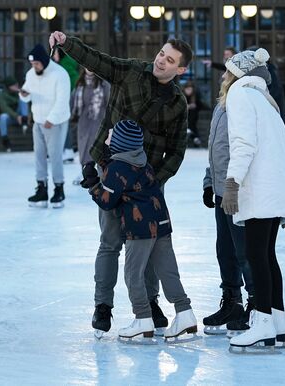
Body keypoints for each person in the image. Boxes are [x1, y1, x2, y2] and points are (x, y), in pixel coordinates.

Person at [49, 30, 192, 337]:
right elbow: (96, 60)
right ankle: (103, 305)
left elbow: (178, 149)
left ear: (181, 70)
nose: (161, 61)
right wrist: (66, 42)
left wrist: (155, 180)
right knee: (111, 242)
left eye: (170, 60)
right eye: (161, 54)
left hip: (149, 184)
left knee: (149, 243)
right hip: (110, 171)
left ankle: (151, 303)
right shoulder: (131, 71)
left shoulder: (177, 103)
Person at [86, 120, 197, 342]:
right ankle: (185, 313)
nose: (106, 138)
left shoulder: (116, 167)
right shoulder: (144, 163)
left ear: (118, 143)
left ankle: (143, 318)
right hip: (162, 223)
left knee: (132, 273)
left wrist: (92, 183)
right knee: (167, 270)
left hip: (140, 229)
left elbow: (107, 202)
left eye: (111, 136)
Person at [218, 48, 285, 351]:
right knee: (267, 255)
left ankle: (262, 323)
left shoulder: (240, 95)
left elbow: (243, 143)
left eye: (227, 71)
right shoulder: (266, 100)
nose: (223, 76)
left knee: (255, 255)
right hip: (274, 189)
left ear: (238, 74)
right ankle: (278, 322)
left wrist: (232, 183)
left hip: (260, 189)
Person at [202, 70, 255, 336]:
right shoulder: (223, 104)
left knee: (243, 251)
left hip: (239, 190)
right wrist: (209, 181)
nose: (222, 75)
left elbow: (245, 148)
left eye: (228, 71)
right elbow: (216, 148)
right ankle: (232, 301)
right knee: (225, 249)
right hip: (222, 189)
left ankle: (256, 306)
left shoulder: (244, 102)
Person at [20, 44, 71, 208]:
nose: (34, 67)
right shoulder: (31, 74)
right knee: (39, 156)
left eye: (36, 64)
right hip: (38, 121)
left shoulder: (59, 74)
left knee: (55, 156)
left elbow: (63, 100)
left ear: (43, 61)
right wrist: (24, 94)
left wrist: (52, 119)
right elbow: (27, 94)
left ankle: (59, 189)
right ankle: (41, 188)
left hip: (55, 122)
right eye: (32, 64)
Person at [70, 68, 110, 185]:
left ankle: (101, 174)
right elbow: (72, 102)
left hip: (100, 122)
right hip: (83, 123)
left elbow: (110, 104)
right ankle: (85, 173)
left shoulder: (104, 84)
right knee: (83, 149)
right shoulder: (80, 84)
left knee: (98, 149)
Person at [53, 47, 80, 163]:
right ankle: (66, 149)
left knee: (64, 123)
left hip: (67, 97)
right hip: (69, 96)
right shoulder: (67, 63)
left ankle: (67, 150)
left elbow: (74, 81)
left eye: (54, 53)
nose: (53, 56)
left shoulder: (64, 65)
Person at [0, 76, 29, 152]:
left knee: (23, 99)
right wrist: (17, 116)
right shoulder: (2, 95)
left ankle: (25, 122)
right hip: (12, 118)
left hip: (22, 117)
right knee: (3, 117)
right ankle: (5, 140)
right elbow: (4, 108)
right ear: (9, 86)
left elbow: (27, 103)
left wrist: (22, 93)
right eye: (14, 85)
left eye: (17, 84)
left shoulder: (19, 92)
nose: (16, 86)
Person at [183, 80, 204, 147]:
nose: (188, 91)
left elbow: (199, 105)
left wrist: (193, 106)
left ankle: (192, 135)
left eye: (190, 89)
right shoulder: (182, 95)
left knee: (192, 123)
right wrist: (188, 106)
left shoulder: (195, 95)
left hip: (193, 114)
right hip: (184, 115)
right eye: (187, 89)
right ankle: (195, 137)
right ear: (185, 89)